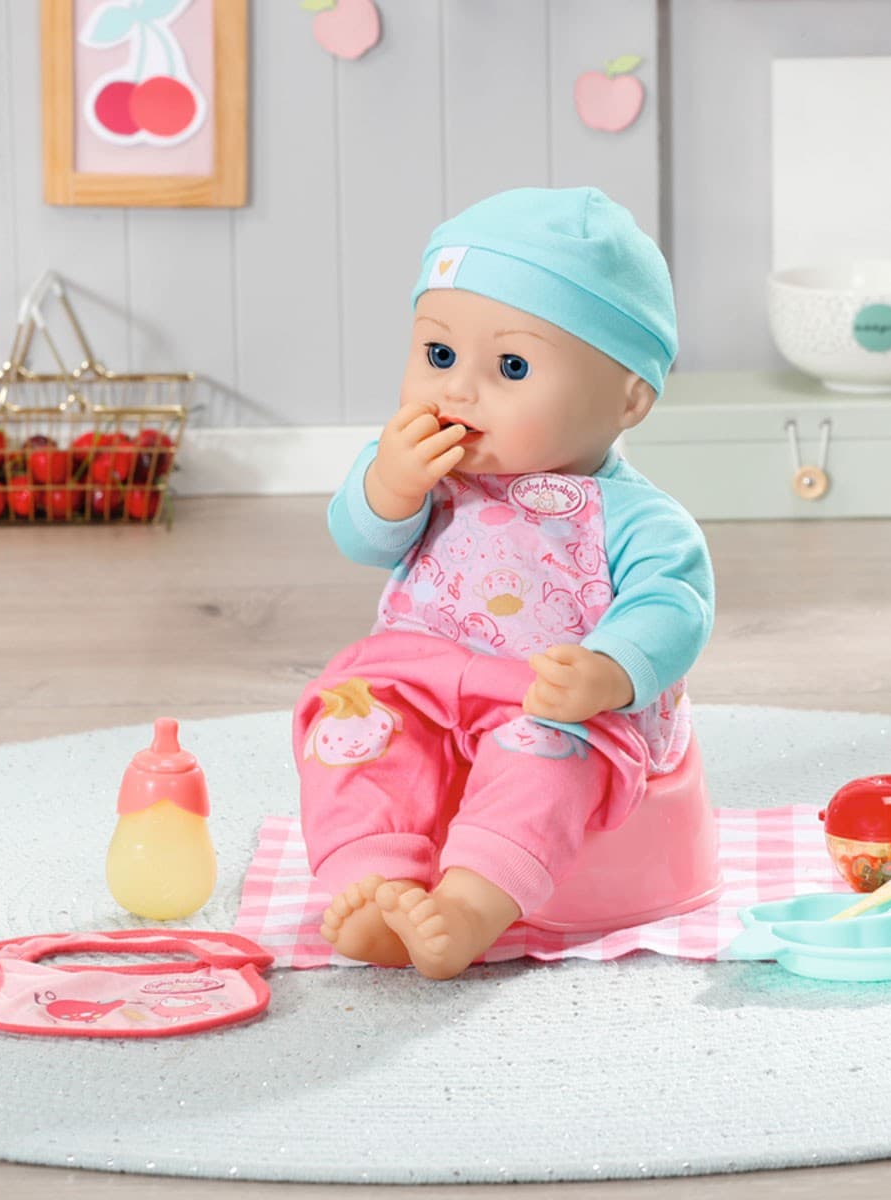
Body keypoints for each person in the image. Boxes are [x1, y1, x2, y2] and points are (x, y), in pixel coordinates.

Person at [293, 186, 714, 979]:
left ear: (628, 399)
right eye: (439, 356)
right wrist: (391, 483)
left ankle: (471, 903)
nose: (456, 391)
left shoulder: (637, 518)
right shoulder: (431, 473)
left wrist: (607, 671)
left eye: (511, 367)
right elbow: (360, 538)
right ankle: (374, 880)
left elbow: (673, 608)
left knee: (544, 763)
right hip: (418, 679)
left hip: (545, 702)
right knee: (351, 725)